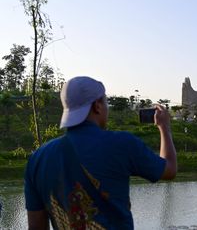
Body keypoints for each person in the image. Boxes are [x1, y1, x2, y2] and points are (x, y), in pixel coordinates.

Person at [24, 76, 177, 229]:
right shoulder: (123, 144)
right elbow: (169, 169)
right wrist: (164, 128)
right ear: (97, 105)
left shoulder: (37, 159)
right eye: (106, 102)